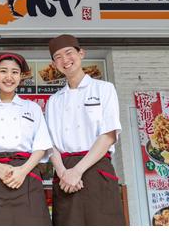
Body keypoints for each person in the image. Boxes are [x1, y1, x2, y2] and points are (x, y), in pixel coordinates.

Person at [45, 35, 125, 226]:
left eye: (69, 53)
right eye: (58, 57)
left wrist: (77, 171)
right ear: (54, 64)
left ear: (81, 53)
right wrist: (64, 172)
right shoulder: (54, 100)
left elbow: (108, 136)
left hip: (96, 169)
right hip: (64, 173)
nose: (65, 60)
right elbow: (49, 143)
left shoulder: (104, 89)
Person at [0, 52, 52, 225]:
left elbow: (41, 145)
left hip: (27, 174)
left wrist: (22, 171)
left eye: (15, 72)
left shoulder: (33, 108)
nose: (9, 77)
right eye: (3, 71)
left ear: (21, 76)